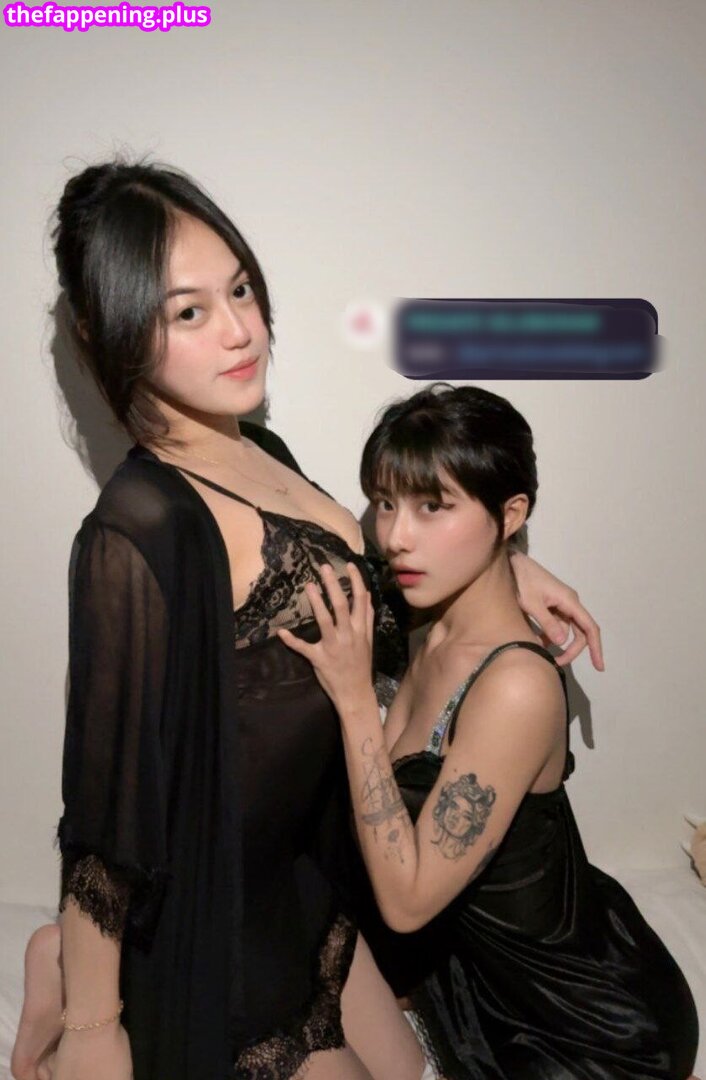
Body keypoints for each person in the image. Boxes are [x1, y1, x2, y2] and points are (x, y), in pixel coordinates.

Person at [11, 162, 603, 1080]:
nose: (241, 329)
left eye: (240, 289)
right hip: (218, 925)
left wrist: (499, 567)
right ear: (119, 332)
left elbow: (354, 579)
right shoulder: (139, 530)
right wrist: (95, 1031)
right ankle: (67, 969)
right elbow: (105, 813)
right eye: (189, 312)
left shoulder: (257, 445)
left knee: (411, 1074)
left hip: (303, 882)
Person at [278, 384, 700, 1080]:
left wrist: (356, 705)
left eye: (432, 506)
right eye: (386, 502)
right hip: (479, 980)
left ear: (511, 514)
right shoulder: (419, 615)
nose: (396, 535)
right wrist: (512, 560)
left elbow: (409, 903)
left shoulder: (516, 686)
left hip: (583, 1027)